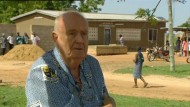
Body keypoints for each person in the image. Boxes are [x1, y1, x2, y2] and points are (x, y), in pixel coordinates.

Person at [26, 11, 116, 107]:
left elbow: (106, 97)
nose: (80, 40)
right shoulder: (44, 70)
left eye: (84, 34)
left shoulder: (92, 64)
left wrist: (110, 102)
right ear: (56, 38)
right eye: (72, 34)